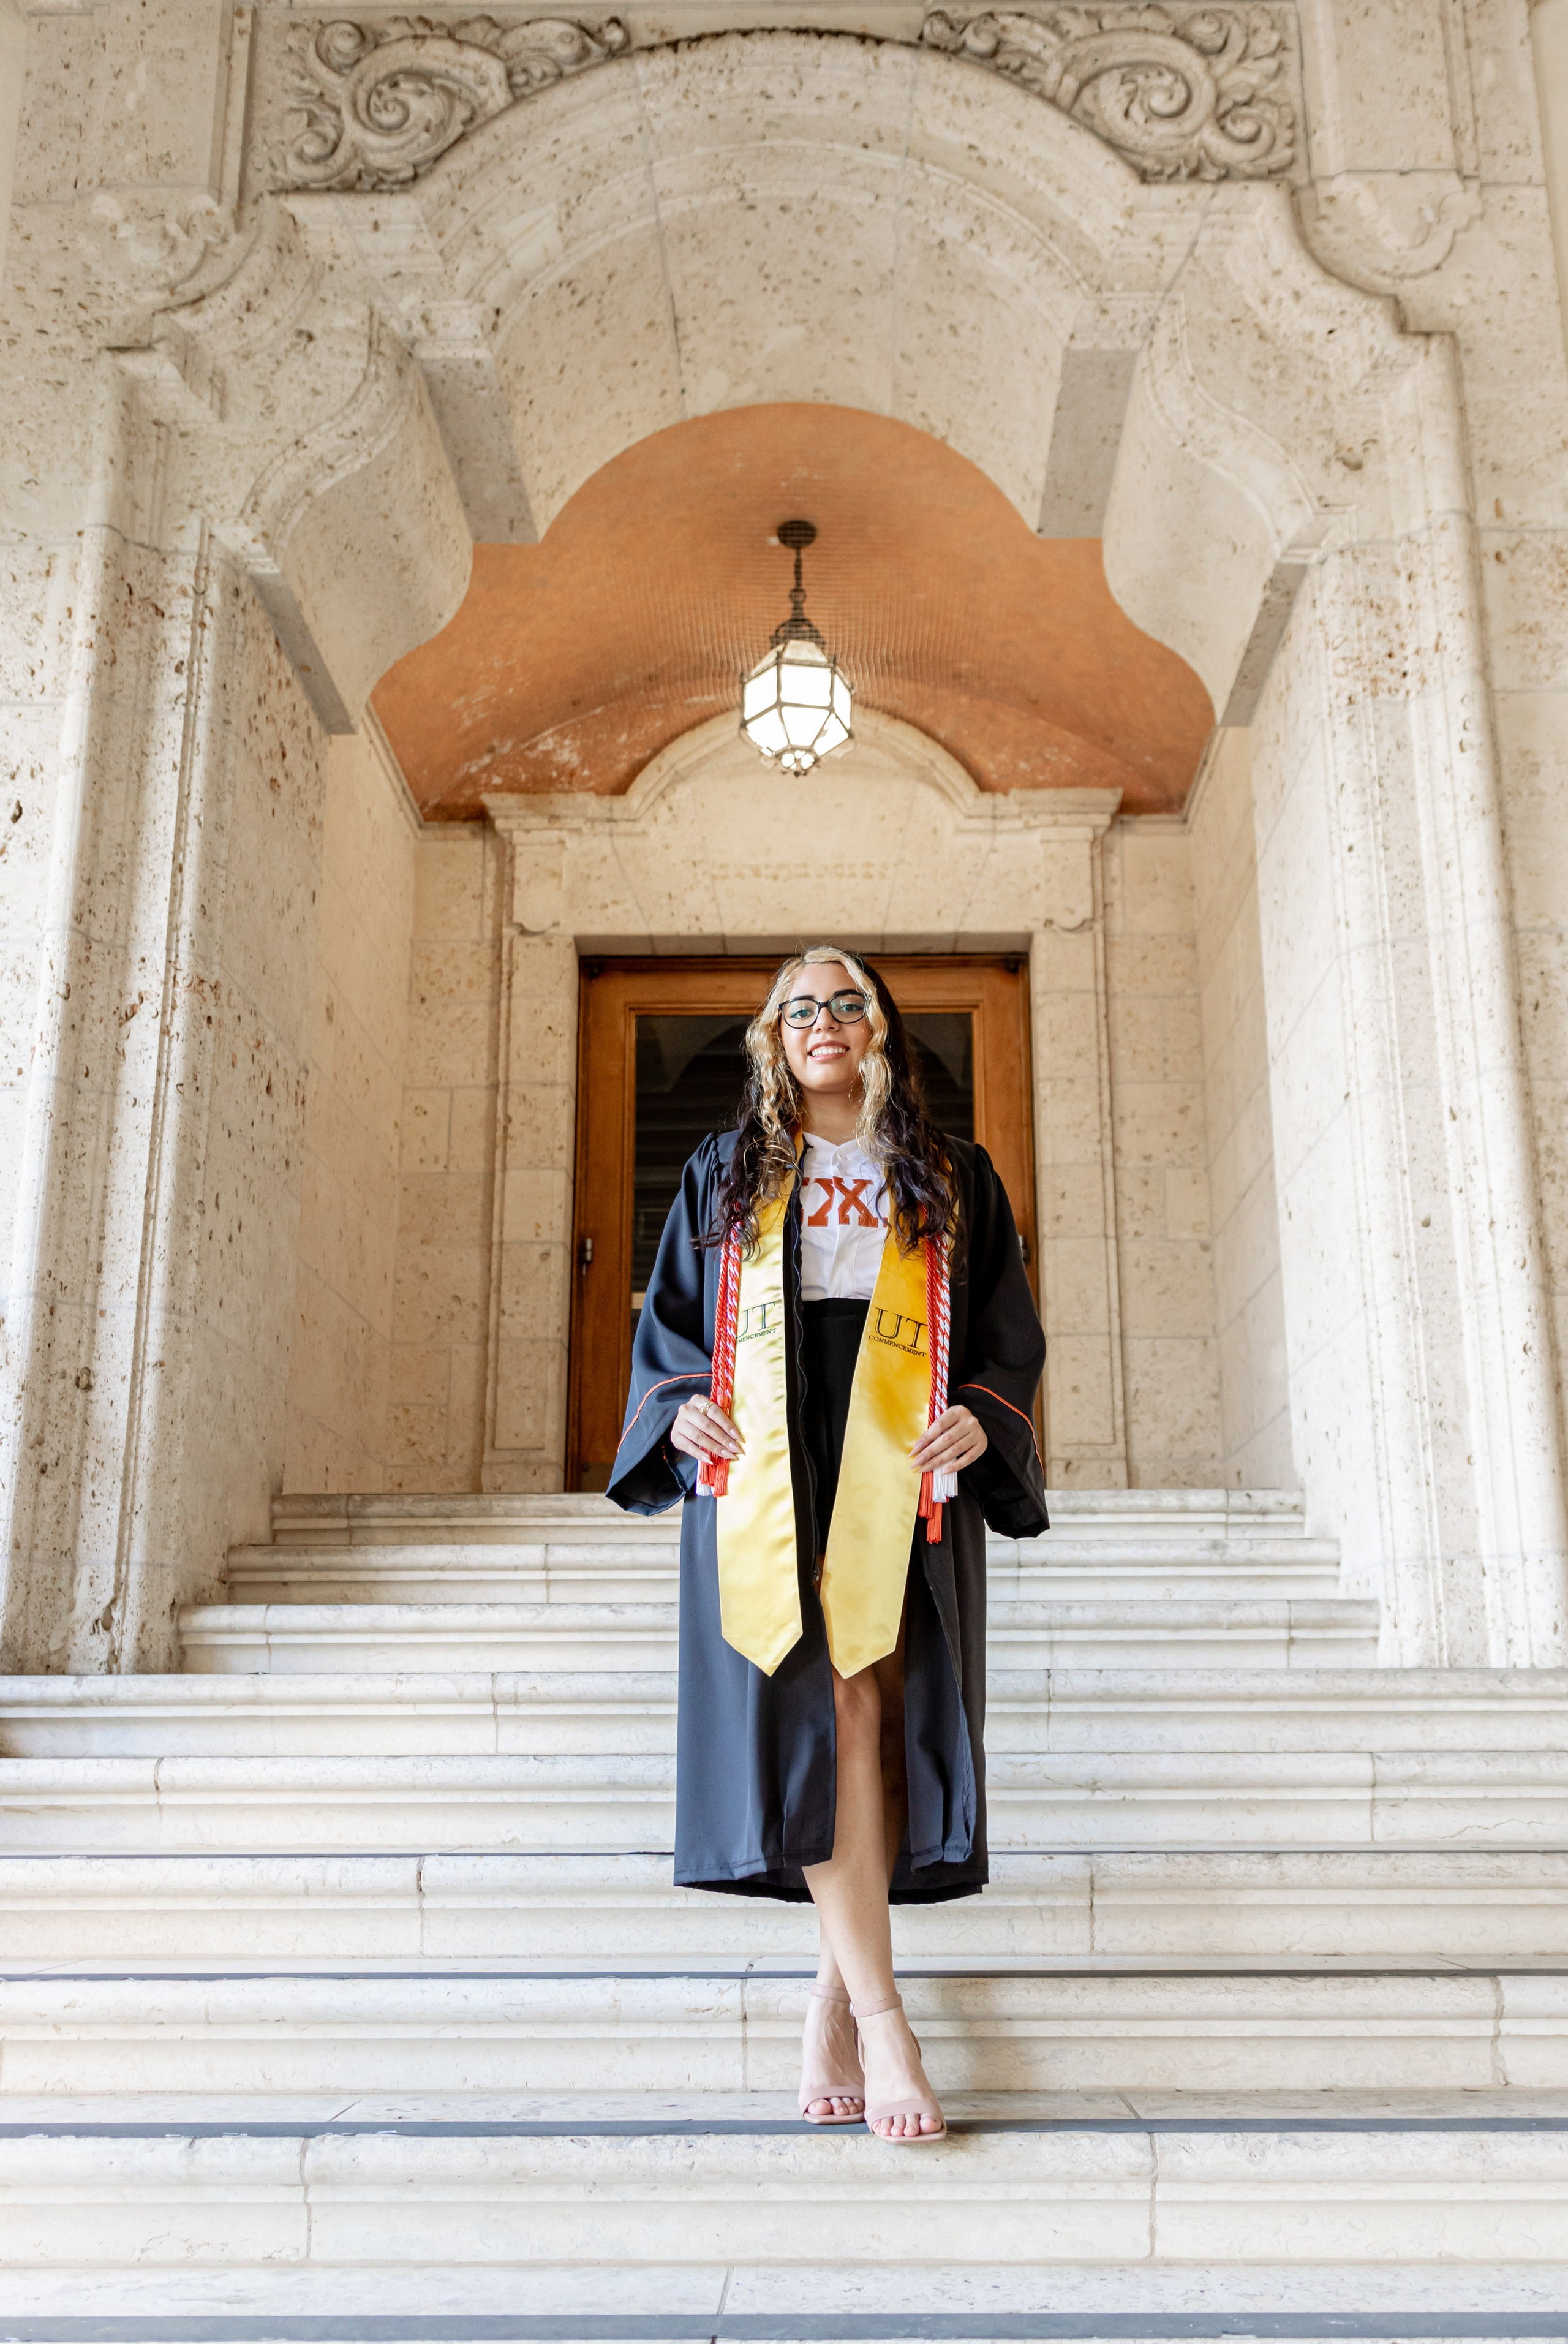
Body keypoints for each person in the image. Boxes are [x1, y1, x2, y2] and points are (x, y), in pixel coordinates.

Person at [606, 946, 1047, 2144]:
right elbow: (670, 1327)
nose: (823, 1020)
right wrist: (675, 1402)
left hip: (900, 1451)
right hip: (771, 1460)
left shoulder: (949, 1175)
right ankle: (887, 2017)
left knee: (876, 1707)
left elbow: (1005, 1329)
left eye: (846, 1000)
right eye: (798, 1005)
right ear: (771, 1033)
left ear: (881, 1029)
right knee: (833, 1703)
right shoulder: (727, 1172)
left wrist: (982, 1411)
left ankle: (828, 2000)